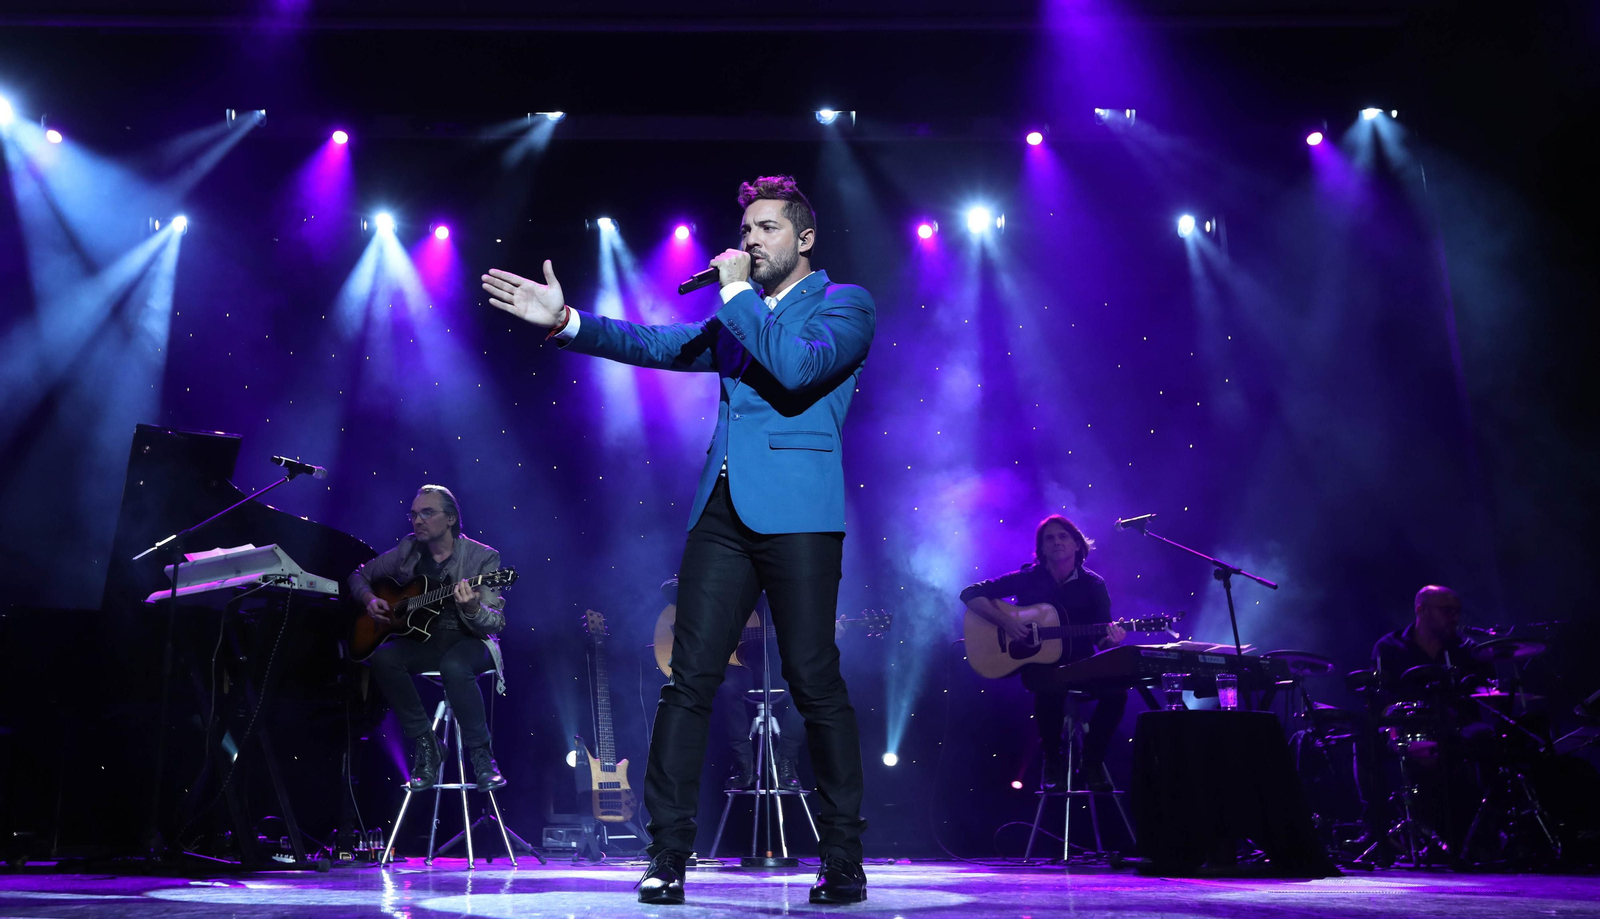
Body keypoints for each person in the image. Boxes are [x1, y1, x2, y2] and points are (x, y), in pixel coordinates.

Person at [483, 175, 873, 904]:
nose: (750, 240)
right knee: (687, 682)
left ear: (805, 238)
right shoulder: (738, 312)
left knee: (814, 682)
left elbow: (795, 370)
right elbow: (657, 342)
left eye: (766, 228)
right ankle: (667, 854)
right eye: (746, 228)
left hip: (800, 514)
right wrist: (566, 319)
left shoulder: (846, 305)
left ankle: (843, 858)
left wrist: (736, 296)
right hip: (721, 513)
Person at [350, 485, 508, 793]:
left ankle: (482, 756)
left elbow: (496, 623)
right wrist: (369, 599)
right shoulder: (408, 549)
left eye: (427, 513)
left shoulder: (483, 558)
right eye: (414, 514)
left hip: (473, 642)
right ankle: (428, 745)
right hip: (428, 642)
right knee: (383, 656)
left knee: (454, 666)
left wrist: (473, 607)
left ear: (450, 519)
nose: (417, 521)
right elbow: (358, 575)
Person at [960, 515, 1127, 791]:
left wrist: (1114, 639)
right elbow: (970, 593)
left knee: (1118, 693)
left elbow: (1101, 640)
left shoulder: (1094, 585)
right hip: (1041, 669)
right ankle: (1052, 760)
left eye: (1063, 536)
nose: (1057, 542)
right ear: (1042, 548)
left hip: (1081, 665)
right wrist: (1008, 623)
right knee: (1049, 686)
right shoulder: (1028, 577)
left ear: (1077, 544)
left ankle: (1092, 761)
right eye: (1049, 538)